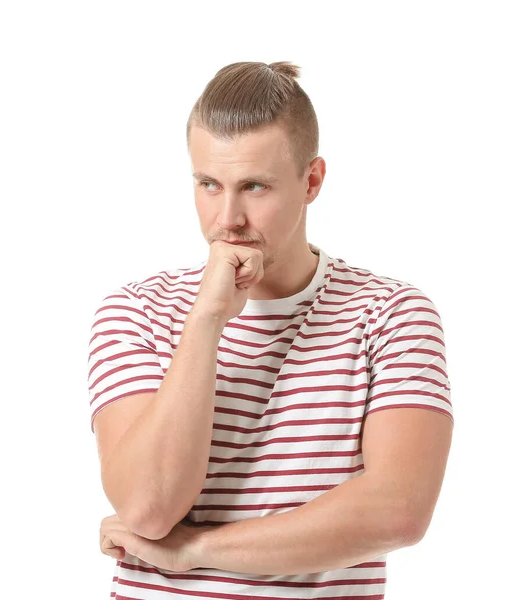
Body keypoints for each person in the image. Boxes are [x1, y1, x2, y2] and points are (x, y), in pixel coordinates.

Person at [87, 60, 454, 599]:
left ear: (312, 181)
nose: (227, 218)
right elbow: (148, 506)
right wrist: (207, 319)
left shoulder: (392, 313)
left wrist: (194, 551)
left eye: (254, 186)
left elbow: (398, 511)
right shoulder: (138, 311)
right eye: (208, 184)